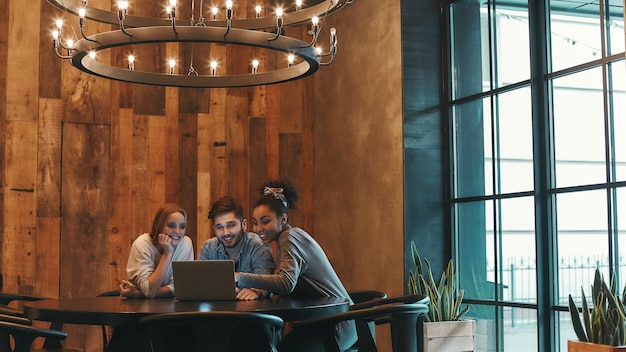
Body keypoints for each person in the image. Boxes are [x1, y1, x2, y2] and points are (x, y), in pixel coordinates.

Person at [234, 180, 357, 351]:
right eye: (255, 222)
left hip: (335, 327)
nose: (258, 228)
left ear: (283, 219)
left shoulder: (290, 238)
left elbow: (286, 283)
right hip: (323, 322)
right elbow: (286, 283)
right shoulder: (287, 238)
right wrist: (261, 290)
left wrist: (240, 277)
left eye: (265, 221)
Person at [198, 195, 274, 300]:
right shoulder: (208, 248)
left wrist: (259, 291)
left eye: (231, 225)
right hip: (217, 311)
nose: (225, 233)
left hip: (252, 312)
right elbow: (199, 285)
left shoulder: (259, 246)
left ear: (244, 225)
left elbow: (267, 282)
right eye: (219, 227)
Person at [119, 203, 194, 298]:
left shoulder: (185, 243)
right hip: (140, 308)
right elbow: (149, 290)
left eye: (182, 227)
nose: (178, 232)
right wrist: (167, 254)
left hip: (170, 305)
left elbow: (179, 287)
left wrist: (138, 294)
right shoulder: (142, 244)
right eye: (171, 226)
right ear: (157, 226)